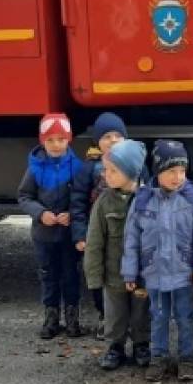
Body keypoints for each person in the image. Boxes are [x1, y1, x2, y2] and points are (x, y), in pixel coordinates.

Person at [121, 140, 193, 383]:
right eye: (171, 171)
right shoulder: (142, 200)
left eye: (182, 171)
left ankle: (187, 358)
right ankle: (158, 358)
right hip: (155, 273)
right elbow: (131, 238)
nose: (177, 177)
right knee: (158, 317)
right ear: (158, 171)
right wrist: (130, 273)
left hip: (183, 272)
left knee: (185, 316)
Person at [83, 139, 151, 371]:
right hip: (114, 275)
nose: (106, 175)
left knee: (142, 311)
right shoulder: (103, 202)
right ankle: (115, 346)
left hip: (143, 274)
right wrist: (94, 277)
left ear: (131, 172)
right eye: (105, 169)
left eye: (113, 170)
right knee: (115, 314)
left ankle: (142, 343)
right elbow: (94, 242)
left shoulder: (148, 199)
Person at [18, 113, 85, 340]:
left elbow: (82, 199)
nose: (56, 145)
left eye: (61, 139)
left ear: (69, 140)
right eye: (50, 140)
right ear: (42, 141)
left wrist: (72, 216)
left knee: (71, 275)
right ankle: (51, 316)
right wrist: (41, 213)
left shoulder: (77, 168)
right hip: (43, 235)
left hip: (68, 235)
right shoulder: (35, 168)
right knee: (48, 275)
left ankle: (73, 316)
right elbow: (24, 196)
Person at [72, 111, 130, 340]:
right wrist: (79, 235)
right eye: (106, 136)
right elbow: (77, 204)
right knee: (100, 278)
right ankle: (105, 316)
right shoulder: (88, 169)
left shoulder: (135, 165)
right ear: (97, 141)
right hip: (97, 234)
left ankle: (131, 320)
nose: (113, 140)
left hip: (127, 233)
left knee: (129, 277)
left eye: (117, 135)